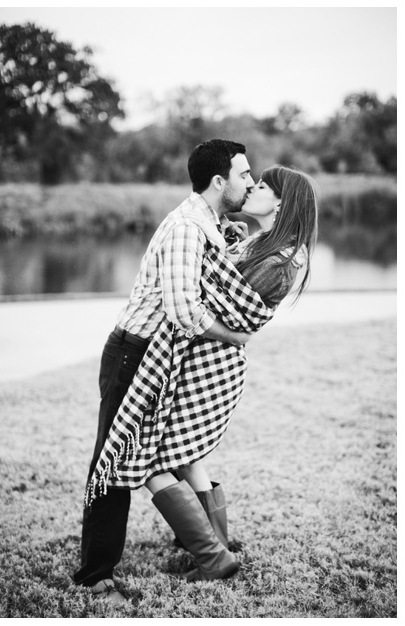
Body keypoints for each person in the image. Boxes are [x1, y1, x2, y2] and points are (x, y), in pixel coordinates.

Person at [78, 149, 318, 603]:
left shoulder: (221, 232)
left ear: (282, 204)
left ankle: (205, 552)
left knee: (148, 457)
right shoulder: (196, 229)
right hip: (138, 351)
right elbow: (197, 301)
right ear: (217, 181)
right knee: (146, 455)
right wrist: (235, 332)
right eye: (247, 176)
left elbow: (216, 295)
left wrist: (234, 318)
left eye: (259, 182)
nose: (251, 184)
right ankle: (180, 554)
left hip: (170, 352)